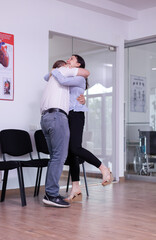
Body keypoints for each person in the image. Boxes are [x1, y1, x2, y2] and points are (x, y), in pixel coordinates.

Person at [47, 55, 113, 202]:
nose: (68, 60)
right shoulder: (67, 74)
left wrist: (57, 69)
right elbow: (47, 77)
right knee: (71, 152)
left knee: (75, 148)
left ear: (78, 64)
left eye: (71, 59)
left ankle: (103, 168)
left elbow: (60, 79)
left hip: (76, 114)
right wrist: (59, 70)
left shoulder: (80, 78)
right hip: (66, 115)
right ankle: (76, 188)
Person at [40, 58, 90, 208]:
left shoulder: (53, 79)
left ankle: (50, 192)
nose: (69, 62)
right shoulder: (62, 71)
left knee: (54, 157)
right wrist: (66, 68)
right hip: (57, 117)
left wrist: (82, 99)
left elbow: (74, 90)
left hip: (45, 118)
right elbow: (86, 72)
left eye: (71, 59)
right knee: (58, 157)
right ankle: (51, 194)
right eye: (67, 62)